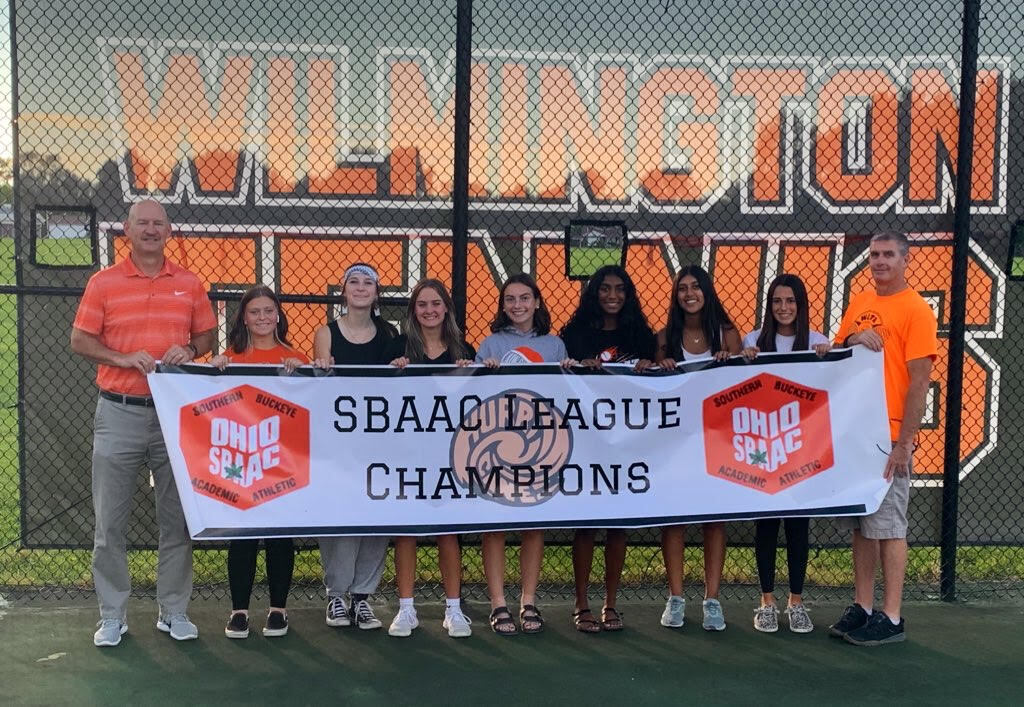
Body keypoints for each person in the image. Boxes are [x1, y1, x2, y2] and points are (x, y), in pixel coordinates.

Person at [70, 200, 216, 647]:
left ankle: (173, 611)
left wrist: (190, 352)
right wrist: (120, 358)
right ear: (127, 231)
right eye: (142, 223)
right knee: (108, 522)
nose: (151, 230)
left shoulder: (188, 282)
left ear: (169, 231)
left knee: (176, 519)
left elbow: (207, 335)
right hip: (118, 412)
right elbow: (80, 339)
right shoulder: (104, 282)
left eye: (158, 223)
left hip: (174, 417)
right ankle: (112, 615)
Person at [828, 232, 937, 646]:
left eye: (888, 254)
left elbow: (919, 382)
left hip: (889, 437)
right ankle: (864, 606)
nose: (879, 261)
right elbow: (839, 351)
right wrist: (853, 338)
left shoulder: (916, 310)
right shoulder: (860, 302)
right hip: (857, 433)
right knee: (863, 526)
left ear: (905, 260)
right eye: (874, 255)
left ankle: (891, 617)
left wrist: (904, 443)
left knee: (890, 528)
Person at [559, 265, 656, 633]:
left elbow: (654, 382)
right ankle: (581, 604)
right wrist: (578, 369)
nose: (612, 295)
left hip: (626, 442)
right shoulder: (575, 335)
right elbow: (563, 379)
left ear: (628, 295)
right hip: (586, 440)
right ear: (594, 294)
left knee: (618, 526)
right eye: (605, 289)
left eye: (619, 289)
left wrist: (648, 368)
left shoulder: (641, 336)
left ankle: (611, 604)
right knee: (586, 526)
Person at [209, 285, 308, 639]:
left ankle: (278, 610)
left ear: (278, 315)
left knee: (280, 536)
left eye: (269, 311)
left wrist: (300, 374)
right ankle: (239, 612)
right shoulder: (229, 358)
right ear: (244, 318)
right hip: (243, 457)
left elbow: (311, 403)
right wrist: (215, 370)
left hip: (282, 460)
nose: (263, 317)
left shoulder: (295, 358)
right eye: (255, 312)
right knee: (244, 537)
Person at [475, 273, 568, 635]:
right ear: (502, 305)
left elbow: (568, 392)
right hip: (498, 443)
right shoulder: (491, 343)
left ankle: (528, 601)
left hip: (540, 443)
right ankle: (498, 604)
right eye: (510, 299)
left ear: (537, 302)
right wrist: (487, 371)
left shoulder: (554, 345)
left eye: (524, 298)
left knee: (534, 523)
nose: (517, 305)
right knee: (495, 524)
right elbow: (475, 392)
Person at [383, 279, 475, 639]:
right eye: (422, 305)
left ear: (446, 308)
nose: (429, 310)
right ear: (413, 311)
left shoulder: (461, 348)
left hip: (450, 452)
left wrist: (474, 372)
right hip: (407, 452)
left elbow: (476, 396)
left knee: (447, 530)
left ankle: (453, 609)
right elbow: (375, 391)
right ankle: (406, 609)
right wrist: (394, 369)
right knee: (406, 530)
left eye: (436, 304)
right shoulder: (399, 346)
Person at [740, 274, 831, 634]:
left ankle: (796, 601)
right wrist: (744, 360)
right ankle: (765, 601)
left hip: (800, 447)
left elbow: (833, 385)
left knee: (797, 526)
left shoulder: (818, 341)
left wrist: (828, 357)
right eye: (777, 301)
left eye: (790, 301)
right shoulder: (753, 340)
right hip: (763, 445)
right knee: (766, 525)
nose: (784, 308)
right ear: (769, 305)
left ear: (801, 304)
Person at [655, 265, 741, 632]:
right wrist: (662, 367)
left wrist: (729, 364)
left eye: (695, 287)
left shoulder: (727, 335)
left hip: (718, 441)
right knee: (674, 519)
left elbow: (743, 386)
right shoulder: (664, 337)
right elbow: (653, 389)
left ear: (707, 291)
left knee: (714, 520)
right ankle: (676, 598)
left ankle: (712, 599)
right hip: (675, 444)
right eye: (682, 289)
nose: (689, 294)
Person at [312, 263, 397, 630]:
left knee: (375, 518)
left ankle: (363, 597)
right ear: (344, 290)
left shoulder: (391, 334)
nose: (361, 288)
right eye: (354, 282)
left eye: (368, 283)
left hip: (378, 443)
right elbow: (318, 382)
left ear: (376, 293)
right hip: (338, 444)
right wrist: (321, 368)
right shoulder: (326, 333)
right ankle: (336, 595)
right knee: (340, 518)